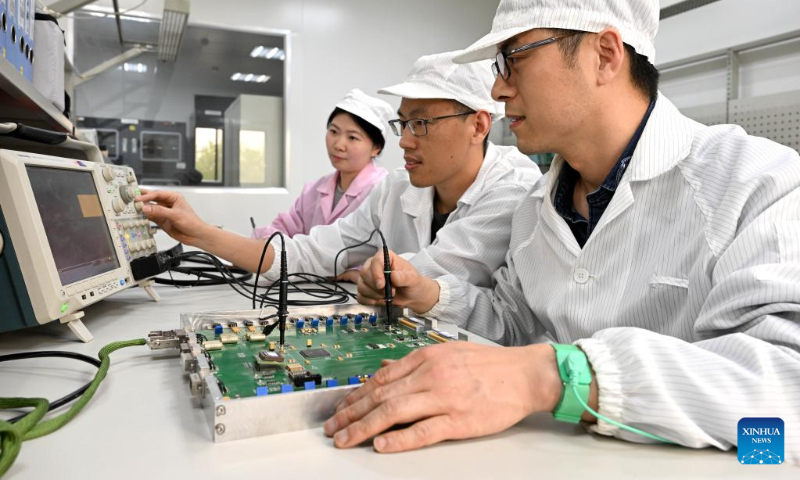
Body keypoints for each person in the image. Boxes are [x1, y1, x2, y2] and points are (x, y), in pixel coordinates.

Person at [333, 0, 800, 460]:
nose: (497, 89)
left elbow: (787, 385)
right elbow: (514, 322)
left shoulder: (757, 181)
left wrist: (551, 377)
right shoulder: (536, 206)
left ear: (605, 55)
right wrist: (432, 294)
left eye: (513, 60)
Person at [136, 50, 540, 296]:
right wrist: (198, 232)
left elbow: (419, 277)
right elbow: (307, 252)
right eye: (402, 125)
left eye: (422, 124)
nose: (405, 142)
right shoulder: (398, 189)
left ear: (479, 125)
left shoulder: (513, 188)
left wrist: (354, 272)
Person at [253, 89, 391, 239]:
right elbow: (283, 227)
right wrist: (266, 240)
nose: (339, 145)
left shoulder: (383, 191)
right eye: (333, 131)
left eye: (352, 137)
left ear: (376, 148)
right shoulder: (314, 190)